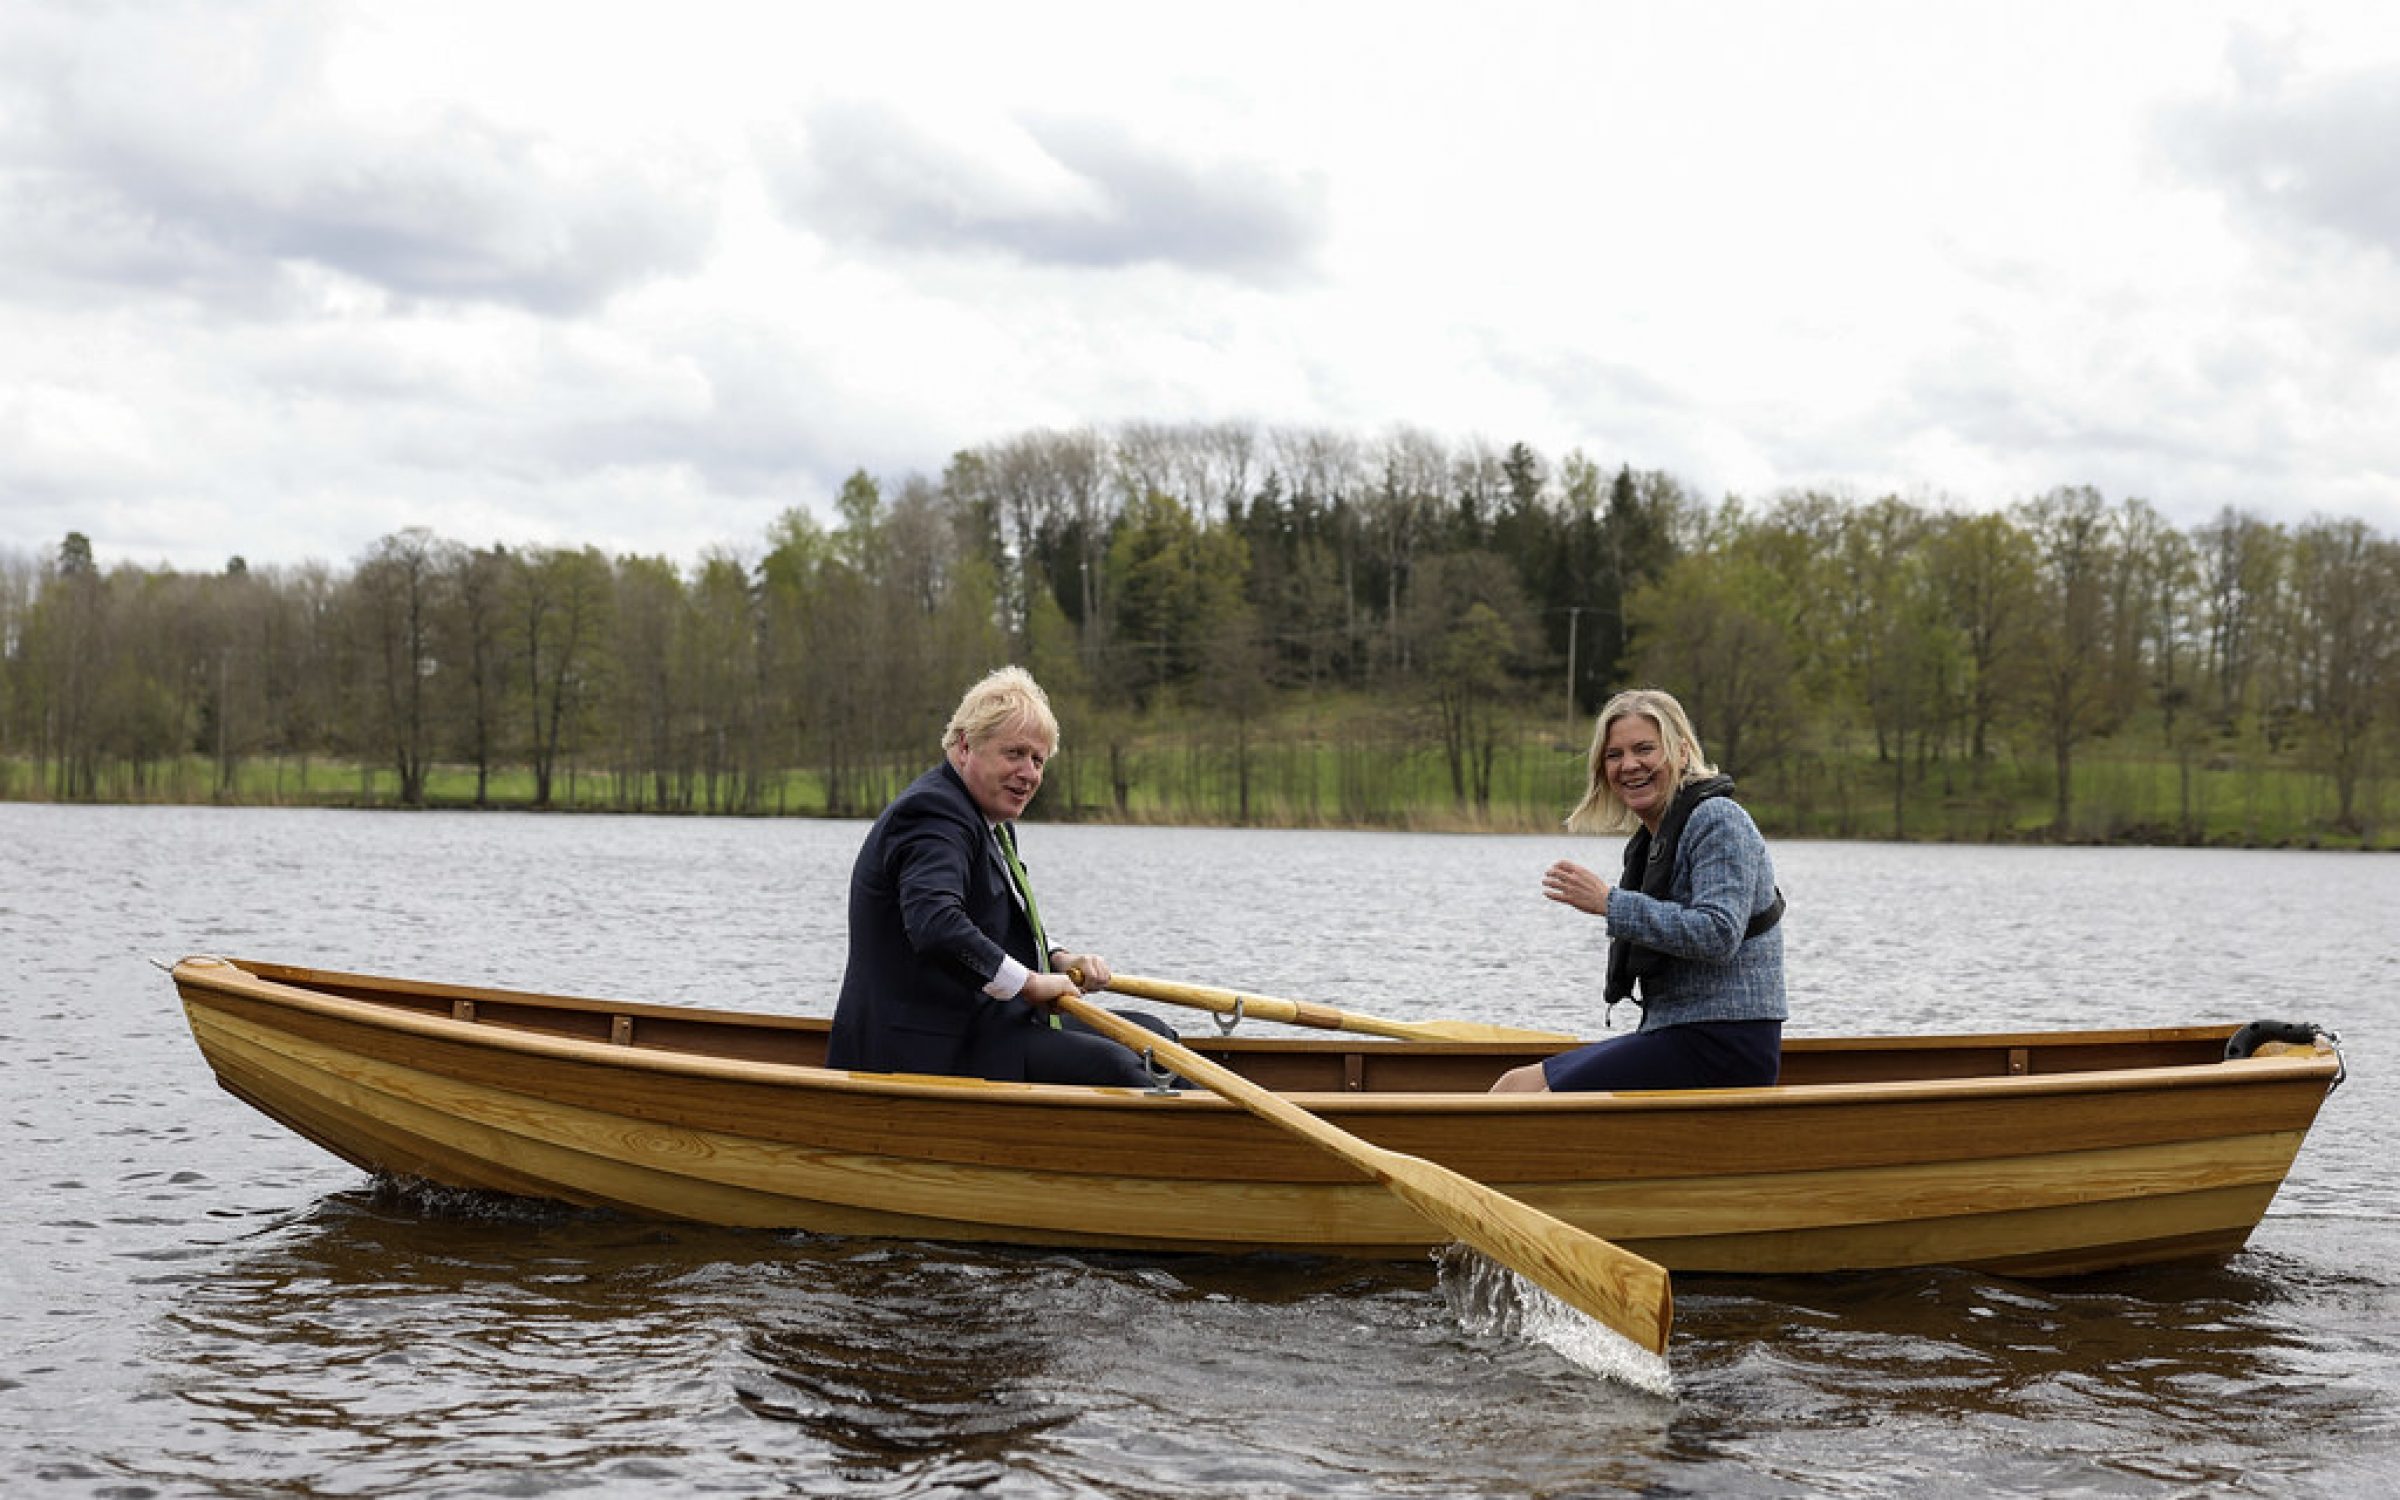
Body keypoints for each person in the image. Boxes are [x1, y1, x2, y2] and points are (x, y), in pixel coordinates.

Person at [825, 665, 1175, 1087]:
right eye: (1015, 754)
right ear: (965, 746)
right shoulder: (933, 815)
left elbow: (999, 918)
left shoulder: (990, 820)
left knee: (1158, 1038)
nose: (1029, 774)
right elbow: (935, 924)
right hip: (924, 1049)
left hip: (984, 1025)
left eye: (1038, 760)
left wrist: (1059, 958)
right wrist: (1027, 982)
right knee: (1123, 1069)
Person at [1491, 687, 1786, 1094]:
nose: (1629, 765)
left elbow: (1719, 933)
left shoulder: (1718, 820)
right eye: (1615, 755)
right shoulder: (1654, 838)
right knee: (1513, 1086)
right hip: (1676, 1032)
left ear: (1681, 753)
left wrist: (1609, 903)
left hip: (1725, 1043)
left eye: (1644, 749)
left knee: (1545, 1099)